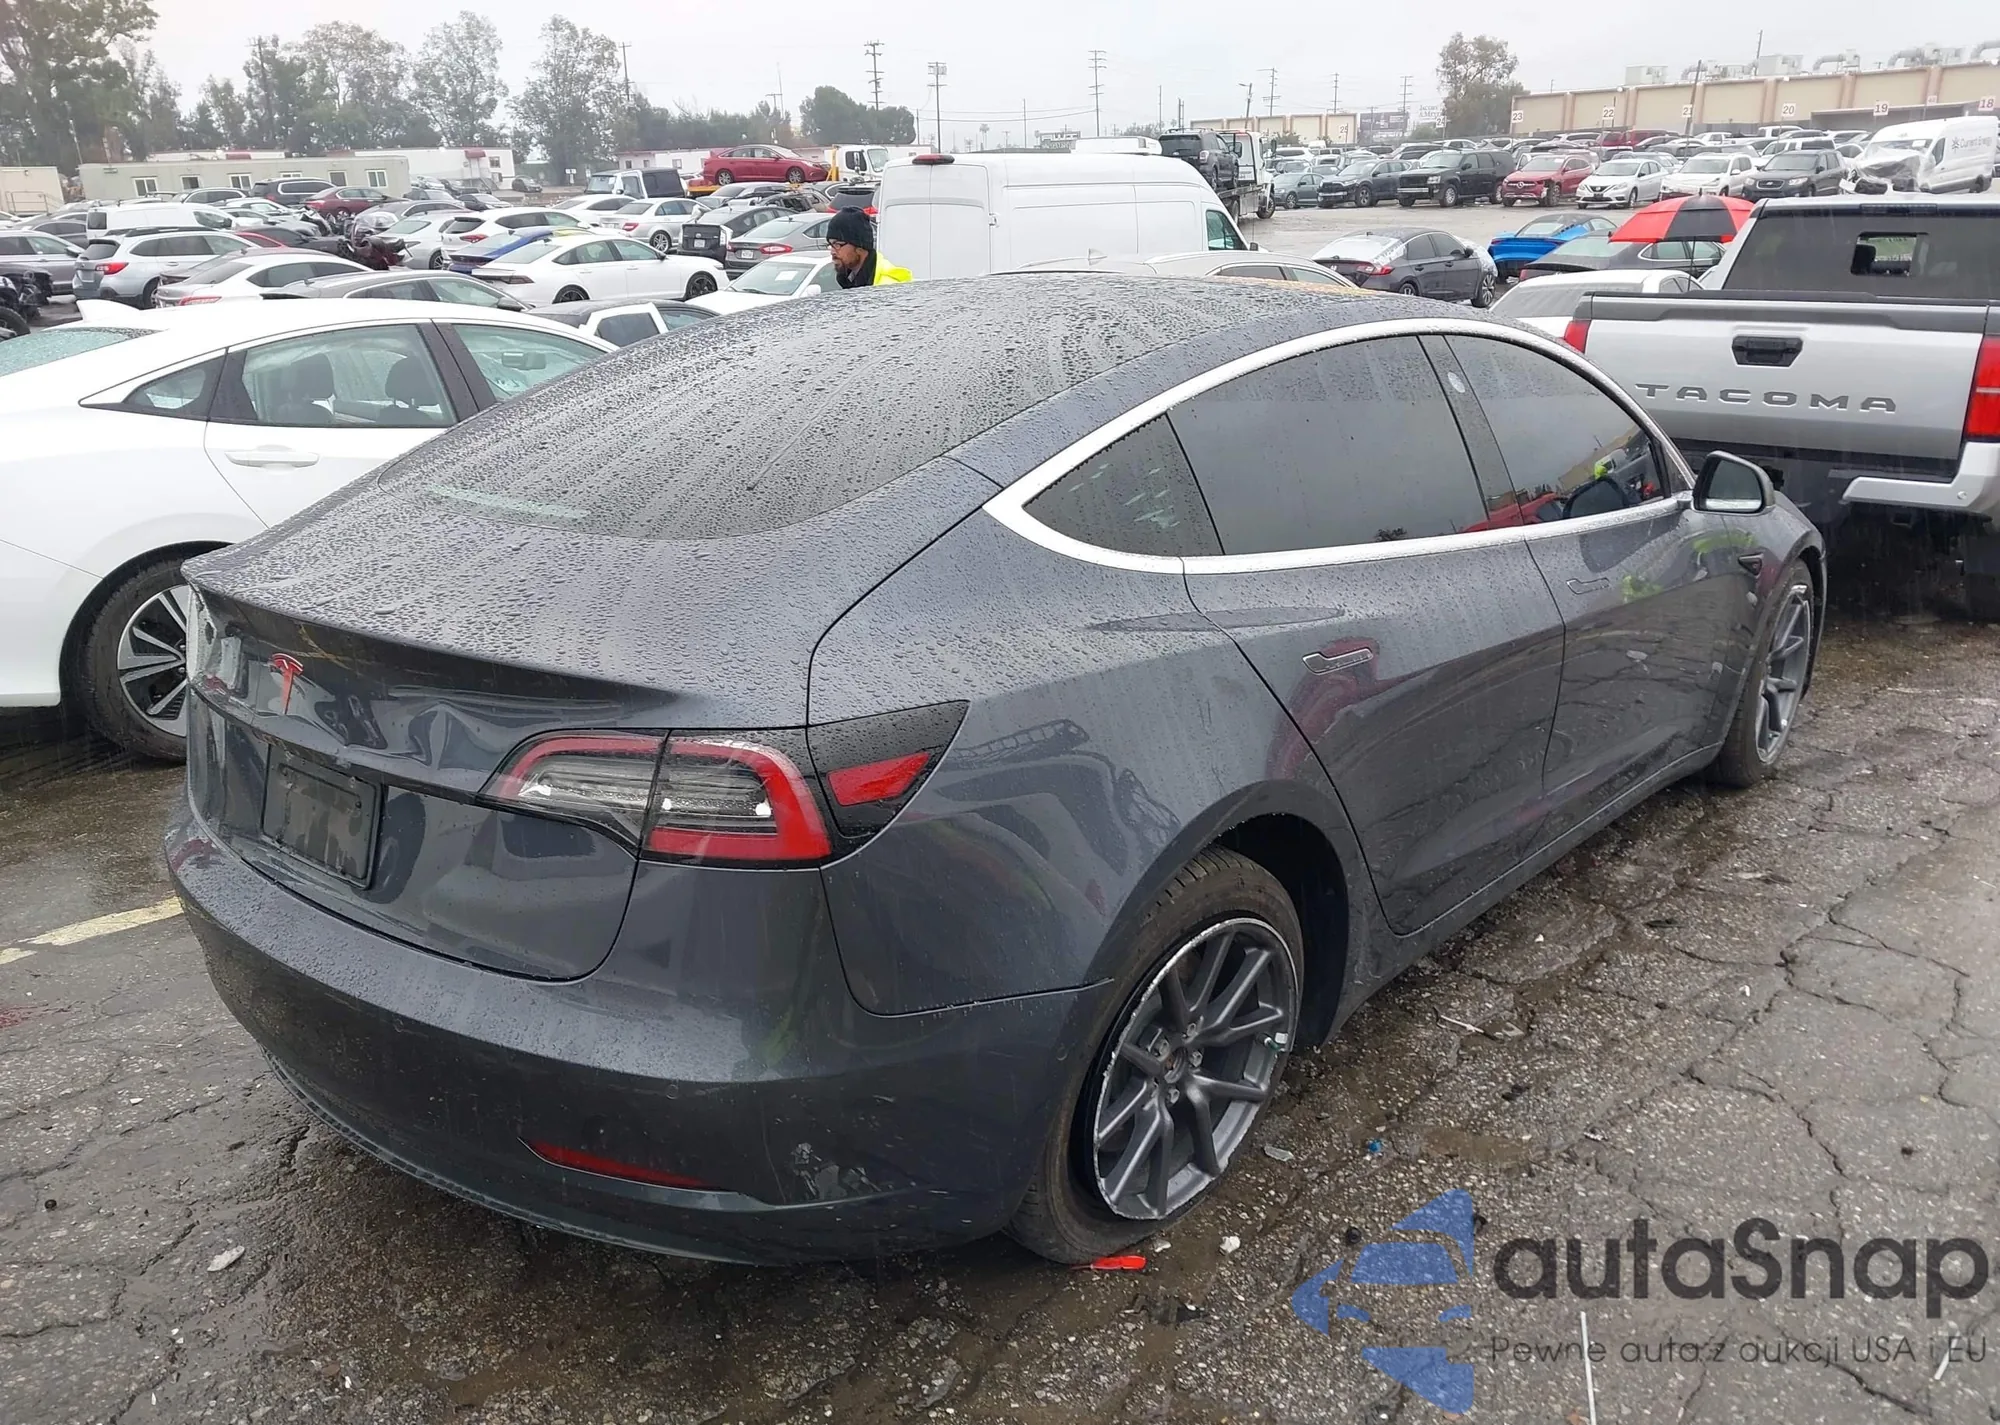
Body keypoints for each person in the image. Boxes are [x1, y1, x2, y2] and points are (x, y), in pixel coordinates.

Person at [825, 207, 910, 288]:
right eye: (830, 244)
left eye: (837, 244)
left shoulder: (886, 286)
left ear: (859, 248)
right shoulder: (850, 279)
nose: (832, 251)